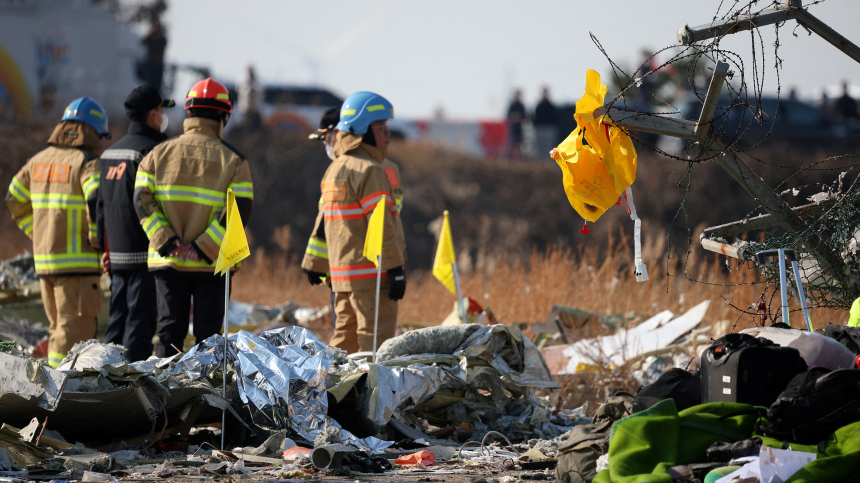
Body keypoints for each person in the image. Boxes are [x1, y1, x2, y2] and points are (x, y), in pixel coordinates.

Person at [134, 78, 254, 357]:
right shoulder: (234, 160)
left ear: (189, 113)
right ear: (224, 116)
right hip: (212, 264)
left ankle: (162, 397)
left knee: (168, 335)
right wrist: (202, 248)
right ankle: (204, 396)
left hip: (167, 260)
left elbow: (141, 200)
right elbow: (240, 210)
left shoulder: (156, 154)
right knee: (209, 340)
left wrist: (167, 241)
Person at [6, 97, 109, 367]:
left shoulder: (37, 161)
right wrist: (98, 241)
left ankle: (53, 391)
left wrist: (38, 233)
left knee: (57, 332)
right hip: (78, 268)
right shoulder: (88, 162)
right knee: (74, 337)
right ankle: (62, 395)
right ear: (94, 131)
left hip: (46, 265)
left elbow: (13, 198)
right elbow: (96, 200)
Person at [306, 91, 406, 353]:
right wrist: (395, 268)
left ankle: (333, 393)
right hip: (373, 277)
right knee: (375, 347)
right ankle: (367, 396)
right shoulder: (371, 170)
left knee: (344, 346)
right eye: (381, 128)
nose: (388, 134)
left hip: (342, 278)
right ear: (363, 130)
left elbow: (324, 222)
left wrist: (314, 263)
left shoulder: (335, 168)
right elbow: (381, 224)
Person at [97, 86, 174, 362]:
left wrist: (103, 249)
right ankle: (129, 393)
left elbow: (100, 206)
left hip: (116, 258)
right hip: (146, 257)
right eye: (162, 111)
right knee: (139, 330)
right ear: (152, 114)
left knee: (115, 325)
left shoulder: (108, 155)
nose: (164, 116)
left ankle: (103, 382)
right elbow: (160, 204)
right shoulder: (154, 152)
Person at [533, 87, 558, 159]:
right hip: (540, 129)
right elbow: (535, 117)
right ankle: (540, 163)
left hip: (549, 129)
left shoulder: (551, 106)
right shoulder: (539, 106)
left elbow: (555, 117)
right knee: (539, 147)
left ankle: (548, 162)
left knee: (548, 147)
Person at [237, 65, 263, 130]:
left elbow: (260, 94)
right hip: (246, 111)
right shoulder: (243, 82)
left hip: (256, 111)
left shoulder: (258, 81)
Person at [506, 90, 526, 159]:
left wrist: (518, 117)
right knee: (511, 145)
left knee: (520, 146)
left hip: (519, 129)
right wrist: (514, 117)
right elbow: (508, 116)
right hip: (512, 128)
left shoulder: (521, 106)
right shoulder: (512, 105)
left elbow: (524, 117)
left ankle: (519, 158)